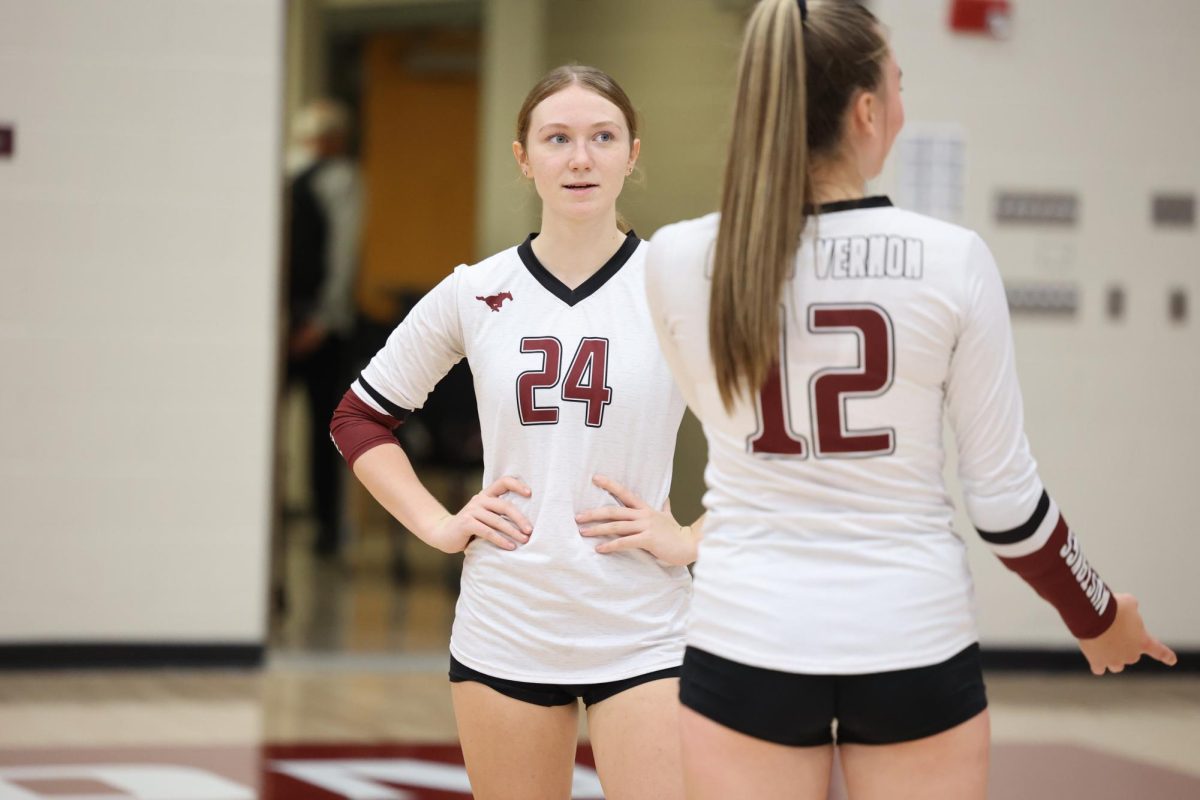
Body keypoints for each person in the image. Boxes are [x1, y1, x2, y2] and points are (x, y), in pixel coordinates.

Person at [643, 2, 1177, 799]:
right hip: (912, 640)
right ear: (865, 110)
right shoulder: (952, 260)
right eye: (899, 83)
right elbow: (1005, 503)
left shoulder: (676, 257)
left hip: (746, 638)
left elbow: (721, 423)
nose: (902, 103)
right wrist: (1095, 613)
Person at [330, 65, 701, 800]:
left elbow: (778, 444)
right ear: (523, 157)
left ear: (632, 153)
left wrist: (691, 538)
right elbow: (359, 417)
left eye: (601, 137)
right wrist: (438, 525)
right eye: (556, 138)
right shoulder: (476, 289)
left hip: (646, 628)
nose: (579, 158)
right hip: (507, 624)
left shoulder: (679, 284)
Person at [286, 98, 364, 556]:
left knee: (329, 428)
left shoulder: (334, 178)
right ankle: (321, 530)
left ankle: (328, 529)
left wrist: (322, 319)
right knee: (319, 430)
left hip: (317, 326)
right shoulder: (322, 177)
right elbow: (343, 254)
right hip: (306, 321)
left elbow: (342, 255)